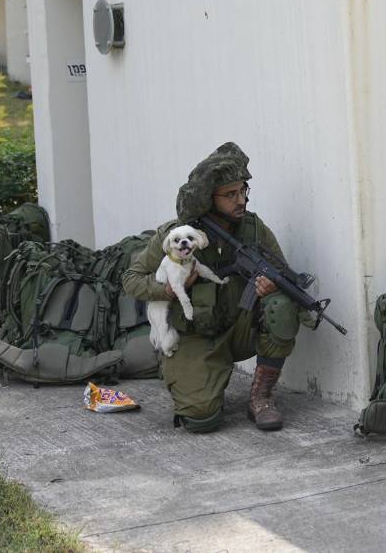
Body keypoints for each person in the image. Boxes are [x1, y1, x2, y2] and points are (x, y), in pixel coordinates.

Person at [121, 142, 309, 433]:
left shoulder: (253, 229)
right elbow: (131, 279)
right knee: (201, 419)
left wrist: (271, 287)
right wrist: (168, 290)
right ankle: (198, 377)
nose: (241, 200)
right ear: (208, 199)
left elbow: (280, 271)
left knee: (281, 306)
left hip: (239, 327)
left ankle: (261, 397)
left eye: (243, 191)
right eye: (230, 194)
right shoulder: (177, 235)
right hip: (195, 335)